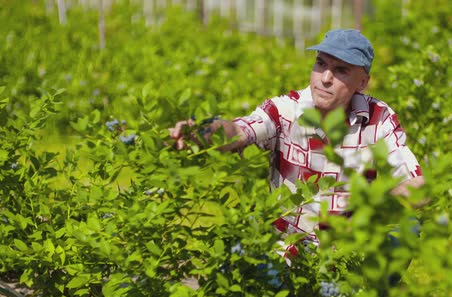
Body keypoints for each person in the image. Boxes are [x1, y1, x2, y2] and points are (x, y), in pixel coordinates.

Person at [169, 29, 424, 260]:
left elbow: (417, 183)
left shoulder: (377, 118)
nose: (325, 78)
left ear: (362, 82)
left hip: (347, 253)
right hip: (285, 249)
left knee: (407, 226)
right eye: (320, 63)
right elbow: (239, 130)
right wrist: (202, 130)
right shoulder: (285, 110)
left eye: (341, 70)